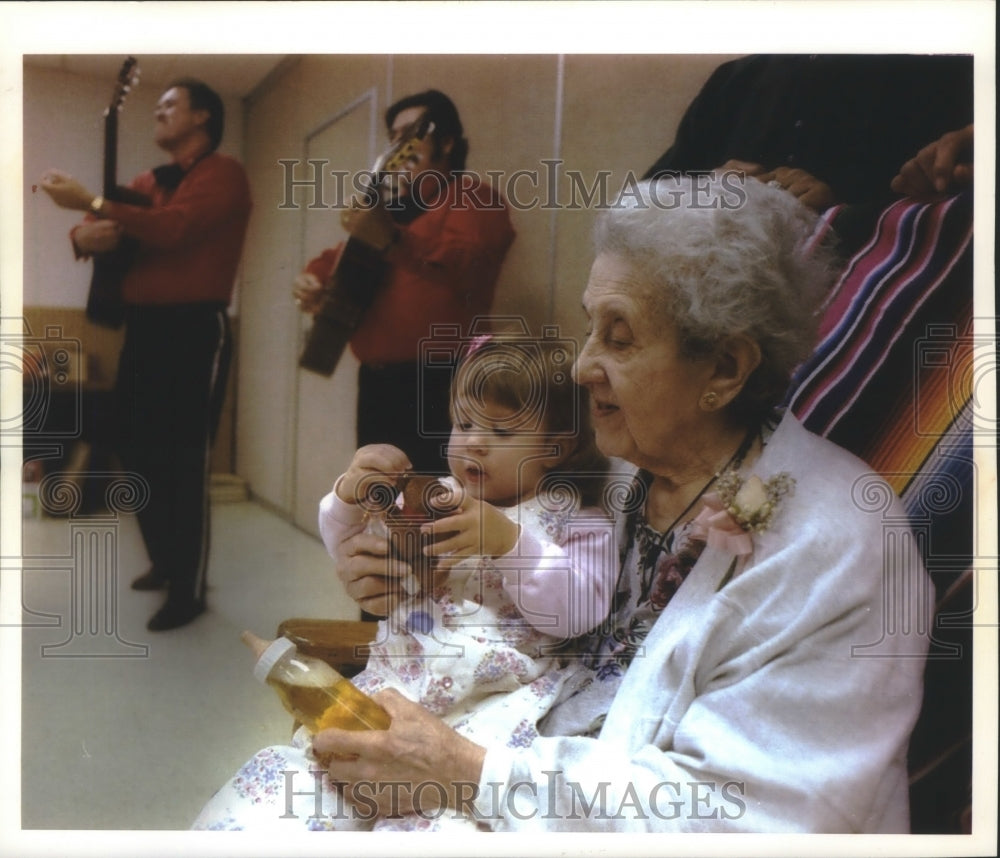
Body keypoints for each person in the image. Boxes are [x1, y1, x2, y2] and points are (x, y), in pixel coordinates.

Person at [306, 176, 933, 832]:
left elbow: (735, 822)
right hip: (513, 754)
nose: (581, 367)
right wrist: (376, 553)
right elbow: (477, 537)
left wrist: (466, 772)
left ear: (724, 369)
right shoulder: (614, 465)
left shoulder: (838, 547)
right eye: (588, 328)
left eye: (619, 337)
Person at [192, 336, 615, 831]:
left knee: (432, 826)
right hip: (392, 691)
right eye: (465, 423)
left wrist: (509, 544)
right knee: (280, 802)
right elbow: (353, 540)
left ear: (554, 447)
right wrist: (352, 494)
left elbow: (580, 611)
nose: (474, 442)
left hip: (488, 715)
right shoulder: (436, 499)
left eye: (501, 432)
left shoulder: (574, 521)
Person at [40, 78, 252, 631]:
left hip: (195, 329)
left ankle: (190, 588)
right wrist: (81, 236)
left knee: (183, 460)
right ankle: (165, 559)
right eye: (157, 104)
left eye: (170, 104)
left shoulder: (222, 174)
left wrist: (89, 199)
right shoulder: (147, 181)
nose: (158, 109)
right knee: (137, 449)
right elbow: (97, 226)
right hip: (145, 330)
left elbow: (174, 228)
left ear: (203, 115)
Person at [293, 89, 516, 474]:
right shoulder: (392, 209)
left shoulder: (474, 197)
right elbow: (336, 259)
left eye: (409, 135)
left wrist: (392, 240)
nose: (398, 147)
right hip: (379, 383)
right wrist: (312, 279)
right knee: (379, 497)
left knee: (436, 502)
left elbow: (463, 261)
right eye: (393, 137)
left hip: (442, 379)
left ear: (445, 142)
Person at [643, 54, 973, 231]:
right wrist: (703, 193)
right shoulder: (736, 81)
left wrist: (836, 213)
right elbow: (632, 210)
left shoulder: (946, 69)